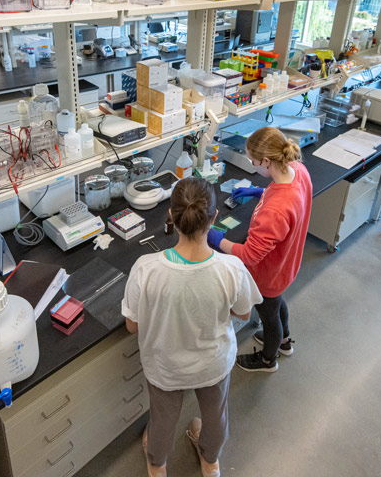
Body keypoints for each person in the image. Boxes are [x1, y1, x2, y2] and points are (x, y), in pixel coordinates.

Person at [122, 177, 262, 477]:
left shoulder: (146, 269)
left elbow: (132, 326)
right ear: (213, 218)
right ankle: (211, 461)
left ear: (171, 216)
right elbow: (245, 313)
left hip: (165, 367)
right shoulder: (231, 268)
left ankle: (157, 465)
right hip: (213, 363)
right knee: (215, 416)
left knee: (162, 419)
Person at [207, 126, 313, 373]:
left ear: (266, 161)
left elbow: (250, 254)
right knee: (276, 303)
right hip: (287, 262)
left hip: (268, 274)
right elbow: (287, 199)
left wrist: (217, 239)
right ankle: (284, 341)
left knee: (268, 315)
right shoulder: (297, 170)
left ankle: (268, 360)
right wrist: (260, 192)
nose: (252, 165)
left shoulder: (275, 211)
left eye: (253, 161)